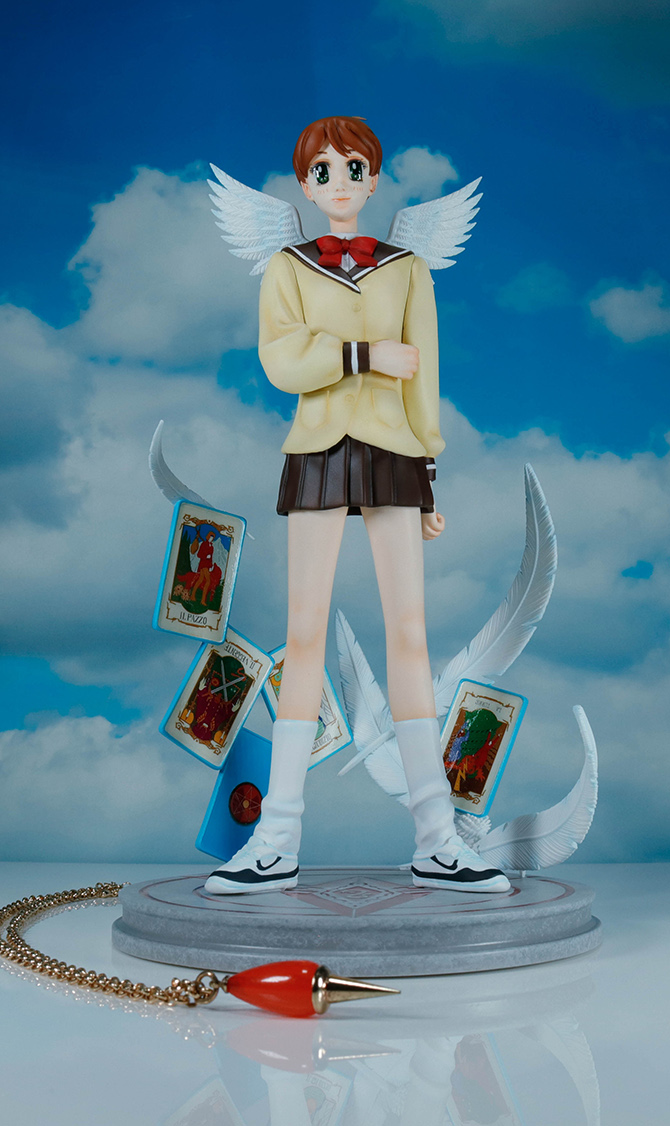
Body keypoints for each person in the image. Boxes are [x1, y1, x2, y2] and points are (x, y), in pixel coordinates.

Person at [204, 117, 509, 894]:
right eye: (322, 171)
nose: (338, 183)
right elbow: (282, 360)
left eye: (352, 169)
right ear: (304, 186)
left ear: (374, 180)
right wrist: (362, 355)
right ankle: (277, 836)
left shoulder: (408, 269)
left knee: (410, 631)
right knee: (304, 632)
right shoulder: (287, 267)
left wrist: (429, 471)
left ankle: (437, 836)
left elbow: (425, 375)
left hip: (394, 450)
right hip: (316, 449)